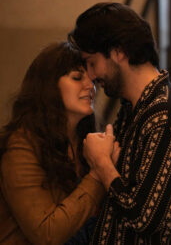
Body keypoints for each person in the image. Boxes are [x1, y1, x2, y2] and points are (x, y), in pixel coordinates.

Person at [68, 2, 171, 244]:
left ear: (119, 52)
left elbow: (144, 217)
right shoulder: (135, 107)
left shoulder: (165, 114)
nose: (91, 76)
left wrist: (101, 163)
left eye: (92, 62)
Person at [0, 42, 119, 244]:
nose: (90, 86)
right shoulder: (22, 145)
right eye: (76, 77)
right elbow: (46, 234)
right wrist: (99, 170)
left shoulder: (85, 141)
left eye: (91, 80)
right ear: (49, 86)